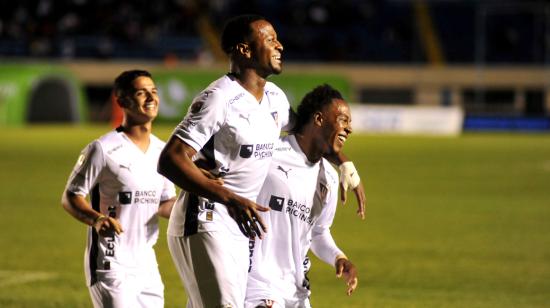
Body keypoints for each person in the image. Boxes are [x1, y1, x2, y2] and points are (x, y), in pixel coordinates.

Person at [157, 14, 364, 308]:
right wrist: (230, 197)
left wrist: (344, 163)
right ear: (244, 50)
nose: (280, 45)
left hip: (240, 224)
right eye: (270, 39)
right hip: (205, 217)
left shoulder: (275, 100)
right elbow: (169, 160)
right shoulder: (219, 99)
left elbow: (312, 133)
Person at [61, 70, 177, 308]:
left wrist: (196, 202)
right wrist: (97, 219)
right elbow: (70, 197)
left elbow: (165, 204)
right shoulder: (102, 149)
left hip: (146, 263)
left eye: (153, 92)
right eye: (141, 93)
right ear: (122, 101)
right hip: (111, 261)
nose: (151, 98)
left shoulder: (163, 151)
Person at [246, 84, 358, 308]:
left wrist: (338, 257)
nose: (349, 129)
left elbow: (318, 232)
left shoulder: (330, 179)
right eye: (343, 120)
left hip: (296, 291)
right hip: (256, 284)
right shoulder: (268, 154)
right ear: (318, 119)